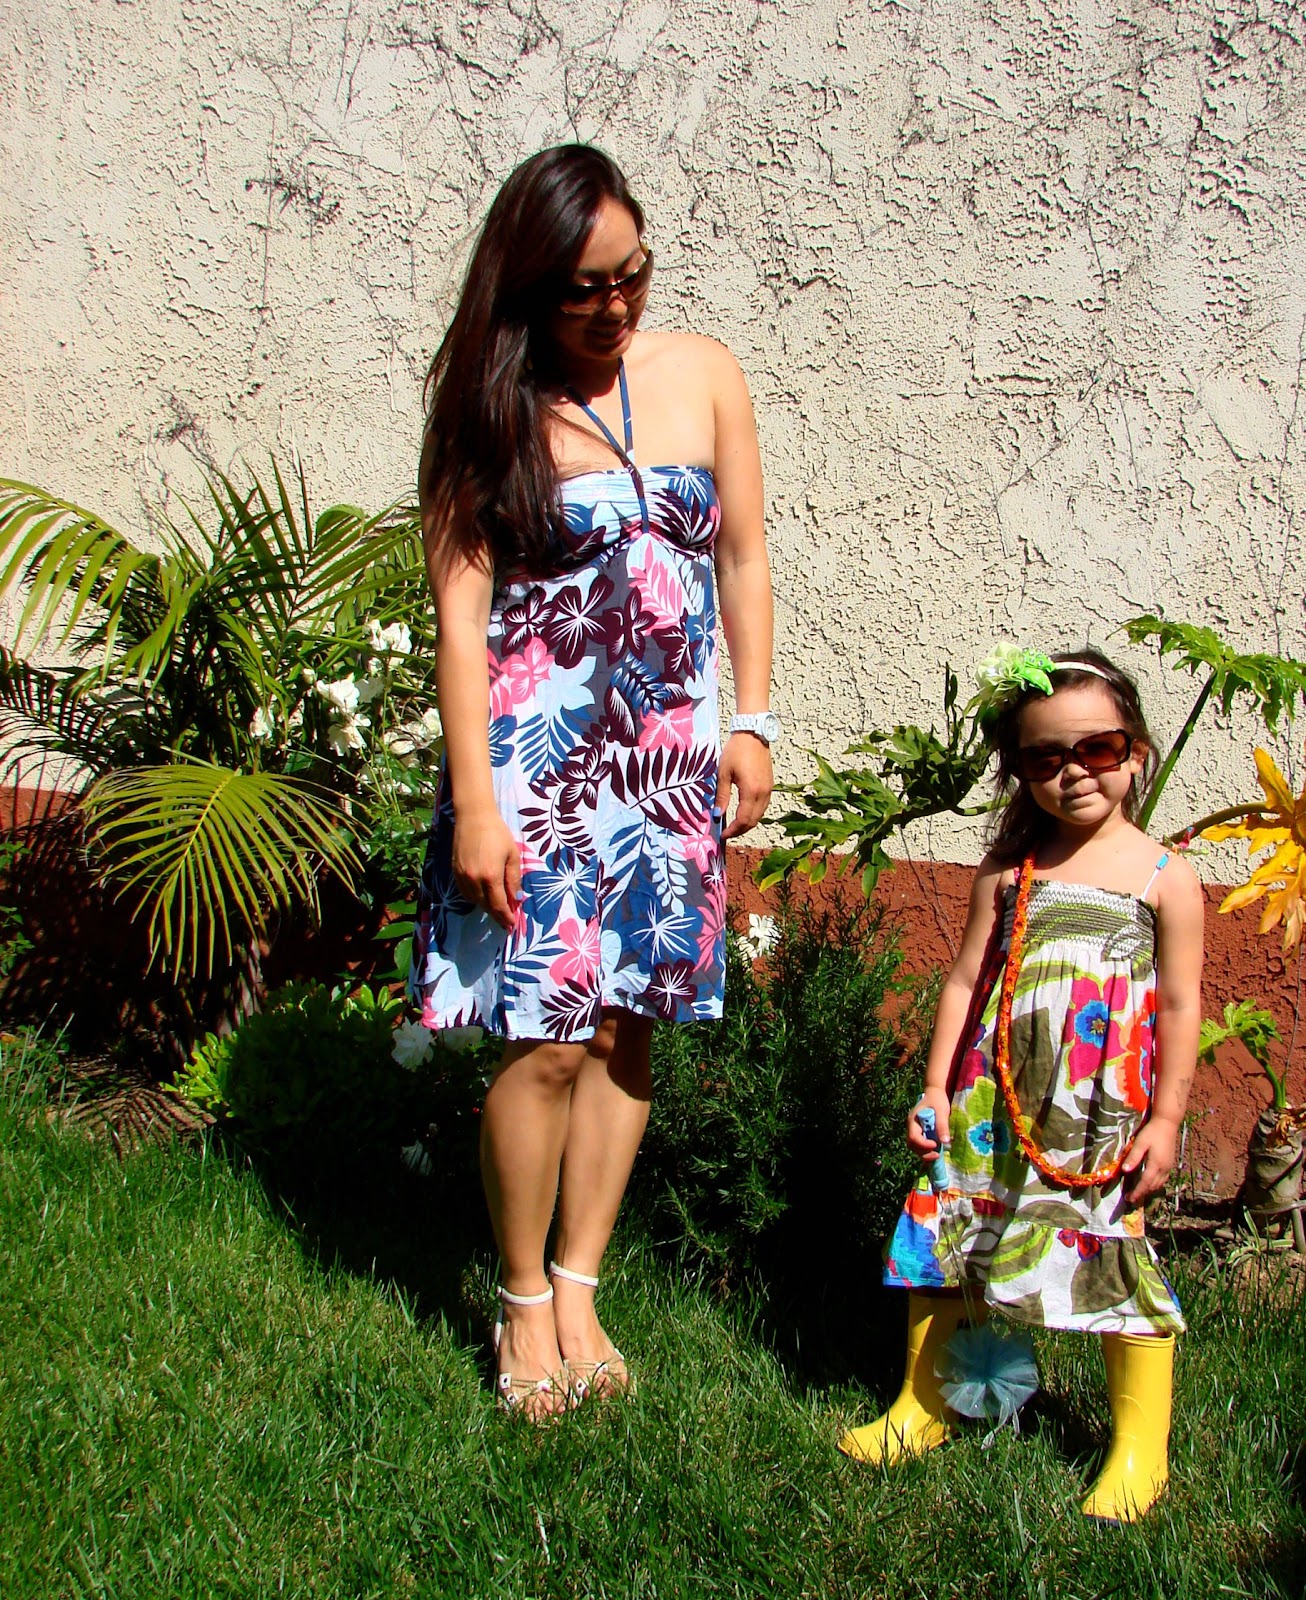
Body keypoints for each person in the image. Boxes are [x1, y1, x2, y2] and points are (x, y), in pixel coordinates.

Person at [410, 145, 776, 1418]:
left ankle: (580, 1285)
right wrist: (474, 800)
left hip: (670, 756)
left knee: (632, 1026)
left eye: (632, 275)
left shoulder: (703, 374)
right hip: (539, 764)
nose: (616, 306)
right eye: (583, 289)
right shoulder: (489, 412)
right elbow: (461, 622)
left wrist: (755, 720)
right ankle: (519, 1305)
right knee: (545, 1037)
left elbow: (739, 555)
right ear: (527, 290)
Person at [839, 648, 1203, 1522]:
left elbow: (1184, 1004)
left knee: (1115, 1251)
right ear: (1021, 771)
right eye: (1045, 757)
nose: (1073, 771)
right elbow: (965, 980)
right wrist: (934, 1085)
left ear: (1137, 752)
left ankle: (1137, 1450)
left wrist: (1168, 1118)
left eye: (1098, 749)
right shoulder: (1009, 872)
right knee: (952, 1237)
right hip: (989, 1102)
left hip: (1099, 1115)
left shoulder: (1165, 878)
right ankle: (925, 1405)